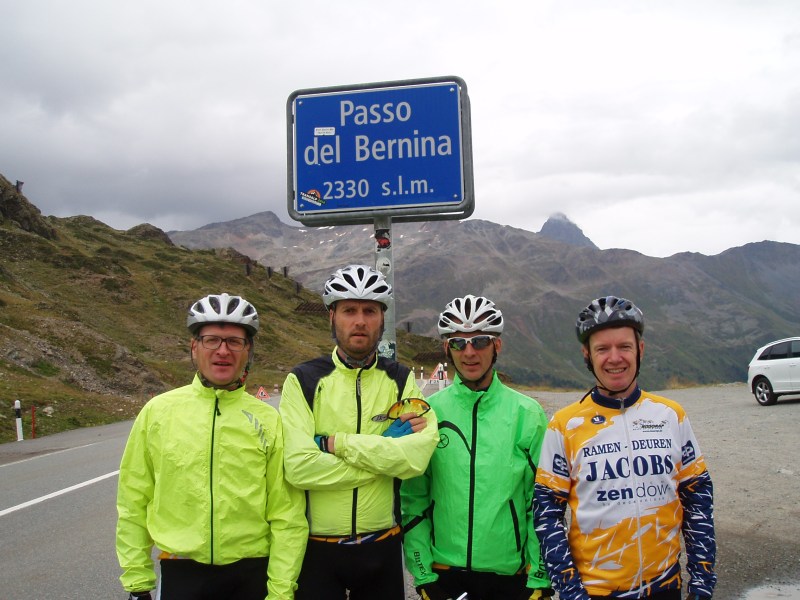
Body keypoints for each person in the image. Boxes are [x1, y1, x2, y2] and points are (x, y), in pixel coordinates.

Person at [116, 293, 308, 600]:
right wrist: (138, 581)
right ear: (194, 346)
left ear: (248, 351)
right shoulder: (158, 412)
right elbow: (133, 500)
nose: (223, 350)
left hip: (252, 572)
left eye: (234, 341)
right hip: (181, 572)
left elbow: (288, 514)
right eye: (211, 340)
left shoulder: (268, 420)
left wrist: (281, 591)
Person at [534, 296, 717, 600]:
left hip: (665, 586)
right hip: (596, 592)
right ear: (587, 356)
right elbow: (547, 514)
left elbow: (698, 501)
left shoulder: (671, 415)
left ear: (640, 350)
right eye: (602, 349)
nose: (614, 358)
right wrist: (571, 592)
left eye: (624, 347)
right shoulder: (564, 426)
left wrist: (702, 582)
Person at [279, 264, 439, 600]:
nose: (360, 321)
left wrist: (335, 444)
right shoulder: (304, 380)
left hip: (381, 546)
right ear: (332, 317)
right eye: (349, 310)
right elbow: (298, 467)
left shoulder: (401, 379)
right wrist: (383, 453)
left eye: (370, 311)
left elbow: (415, 459)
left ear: (382, 320)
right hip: (319, 550)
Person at [401, 295, 553, 600]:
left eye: (480, 341)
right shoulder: (429, 412)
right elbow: (413, 499)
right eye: (458, 343)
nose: (469, 352)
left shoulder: (528, 413)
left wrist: (539, 578)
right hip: (445, 576)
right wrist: (422, 575)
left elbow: (541, 504)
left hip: (512, 578)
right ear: (447, 348)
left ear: (497, 346)